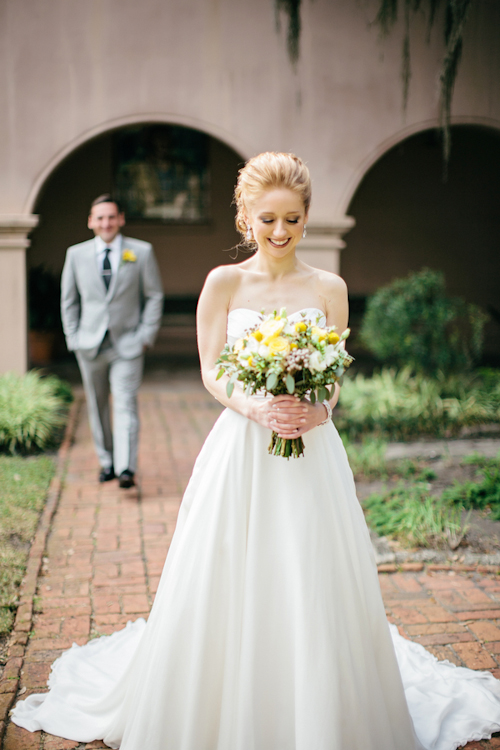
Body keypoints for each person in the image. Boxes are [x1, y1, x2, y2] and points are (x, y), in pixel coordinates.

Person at [12, 154, 500, 749]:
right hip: (241, 448)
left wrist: (317, 410)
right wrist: (256, 408)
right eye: (267, 219)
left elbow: (336, 379)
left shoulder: (329, 288)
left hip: (312, 451)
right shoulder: (224, 283)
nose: (279, 232)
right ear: (245, 217)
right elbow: (212, 371)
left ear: (306, 218)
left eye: (292, 220)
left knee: (309, 570)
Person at [60, 195, 164, 488]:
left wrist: (145, 336)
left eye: (111, 217)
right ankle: (107, 462)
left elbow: (154, 295)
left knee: (125, 404)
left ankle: (126, 467)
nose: (106, 223)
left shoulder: (141, 252)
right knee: (97, 405)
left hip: (128, 345)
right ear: (91, 221)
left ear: (121, 219)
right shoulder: (76, 255)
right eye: (100, 218)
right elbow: (69, 300)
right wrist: (73, 338)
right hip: (89, 345)